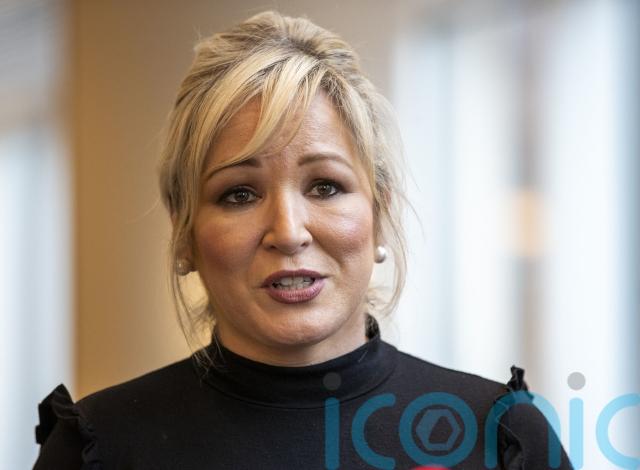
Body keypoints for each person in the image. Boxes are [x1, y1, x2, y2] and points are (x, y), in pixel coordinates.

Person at [33, 11, 573, 470]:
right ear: (184, 234)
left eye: (325, 186)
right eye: (239, 194)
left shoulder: (498, 439)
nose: (289, 232)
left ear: (380, 213)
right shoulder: (99, 448)